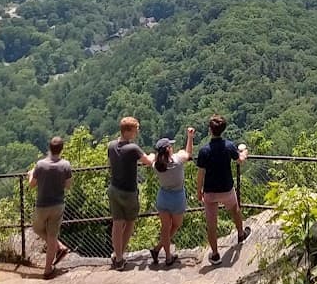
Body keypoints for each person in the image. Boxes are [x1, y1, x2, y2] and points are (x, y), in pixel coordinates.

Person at [194, 114, 250, 264]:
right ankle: (240, 234)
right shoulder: (229, 146)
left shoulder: (204, 151)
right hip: (226, 188)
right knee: (235, 209)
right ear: (223, 129)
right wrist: (244, 152)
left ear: (209, 130)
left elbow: (200, 174)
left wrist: (199, 191)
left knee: (211, 223)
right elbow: (240, 160)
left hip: (210, 191)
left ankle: (215, 253)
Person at [106, 117, 152, 269]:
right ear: (128, 131)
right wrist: (152, 156)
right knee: (130, 222)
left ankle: (118, 256)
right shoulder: (133, 148)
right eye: (135, 130)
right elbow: (148, 161)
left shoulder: (111, 146)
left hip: (114, 188)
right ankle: (119, 254)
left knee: (117, 223)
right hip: (129, 191)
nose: (137, 132)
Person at [26, 135, 73, 280]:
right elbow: (69, 185)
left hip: (42, 204)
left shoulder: (40, 165)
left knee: (37, 229)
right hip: (58, 204)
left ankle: (57, 251)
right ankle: (49, 266)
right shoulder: (65, 165)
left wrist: (30, 174)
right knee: (52, 236)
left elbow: (32, 184)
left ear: (49, 148)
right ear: (61, 149)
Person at [148, 127, 194, 267]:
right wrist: (190, 137)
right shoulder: (178, 160)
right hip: (177, 198)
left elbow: (150, 159)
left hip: (163, 197)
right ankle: (159, 250)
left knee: (165, 227)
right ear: (168, 149)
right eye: (170, 145)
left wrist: (151, 155)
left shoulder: (157, 165)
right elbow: (188, 153)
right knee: (176, 225)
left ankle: (164, 254)